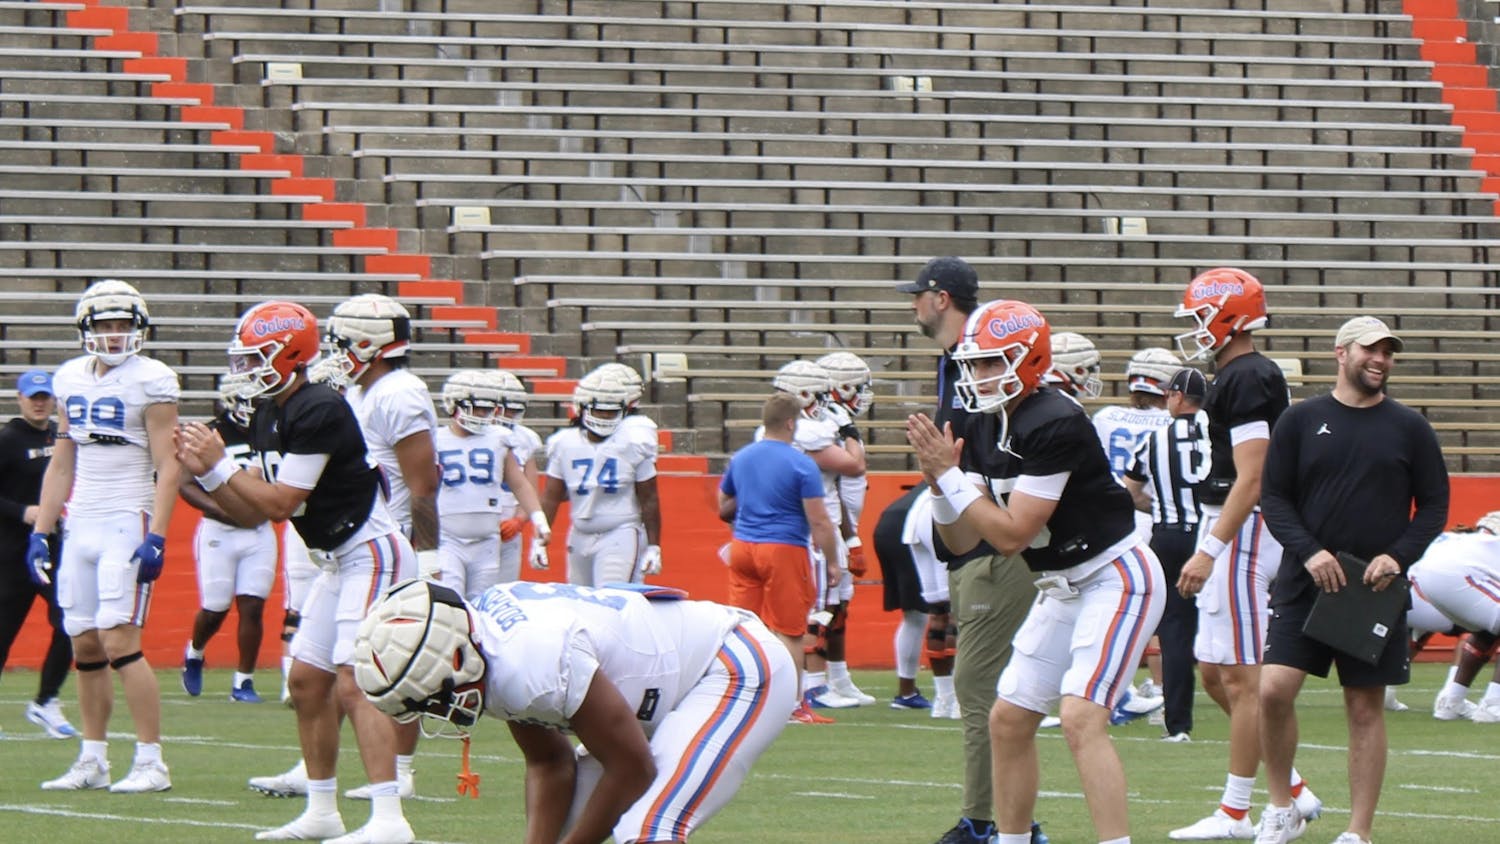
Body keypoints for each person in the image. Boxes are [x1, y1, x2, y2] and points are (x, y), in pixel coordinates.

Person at [906, 298, 1164, 844]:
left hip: (1114, 576)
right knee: (1008, 718)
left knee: (1080, 716)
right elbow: (962, 539)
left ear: (1029, 358)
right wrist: (939, 487)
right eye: (975, 364)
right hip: (1060, 585)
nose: (980, 375)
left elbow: (1011, 535)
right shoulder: (980, 425)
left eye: (993, 362)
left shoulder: (1054, 419)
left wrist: (951, 479)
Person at [175, 300, 417, 843]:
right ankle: (323, 810)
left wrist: (220, 466)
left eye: (254, 358)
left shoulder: (319, 408)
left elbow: (283, 502)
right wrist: (211, 478)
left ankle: (388, 820)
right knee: (308, 683)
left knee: (356, 682)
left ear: (290, 354)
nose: (243, 371)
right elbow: (251, 514)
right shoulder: (268, 413)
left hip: (370, 549)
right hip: (335, 557)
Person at [353, 577, 796, 843]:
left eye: (433, 698)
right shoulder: (485, 641)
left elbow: (632, 768)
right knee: (571, 827)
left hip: (731, 668)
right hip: (668, 688)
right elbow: (550, 762)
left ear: (452, 659)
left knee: (647, 829)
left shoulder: (528, 663)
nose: (440, 710)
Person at [1256, 315, 1449, 844]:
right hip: (1304, 582)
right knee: (1273, 691)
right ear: (1341, 353)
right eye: (1371, 350)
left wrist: (1399, 556)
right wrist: (1310, 551)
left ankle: (1358, 832)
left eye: (1388, 353)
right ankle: (1281, 807)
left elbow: (1434, 506)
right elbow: (1274, 498)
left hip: (1373, 590)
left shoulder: (1410, 426)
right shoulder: (1300, 420)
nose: (1380, 361)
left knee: (1364, 705)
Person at [1169, 268, 1321, 841]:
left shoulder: (1250, 375)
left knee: (1241, 677)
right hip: (1232, 520)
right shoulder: (1236, 374)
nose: (1194, 328)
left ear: (1227, 314)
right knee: (1215, 673)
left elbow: (1253, 474)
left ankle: (1241, 811)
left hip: (1245, 525)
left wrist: (1211, 548)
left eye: (1200, 315)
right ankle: (1296, 787)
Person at [899, 257, 1041, 844]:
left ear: (940, 297)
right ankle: (1005, 822)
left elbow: (991, 456)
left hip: (997, 537)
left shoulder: (973, 367)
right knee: (995, 692)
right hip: (976, 531)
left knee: (985, 691)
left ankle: (989, 823)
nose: (913, 306)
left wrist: (966, 504)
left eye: (918, 295)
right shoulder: (955, 364)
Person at [29, 279, 180, 794]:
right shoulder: (70, 377)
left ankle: (151, 761)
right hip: (82, 521)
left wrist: (158, 533)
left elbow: (168, 463)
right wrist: (43, 530)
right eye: (104, 325)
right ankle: (93, 758)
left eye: (122, 325)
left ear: (138, 328)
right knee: (84, 641)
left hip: (126, 515)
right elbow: (63, 461)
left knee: (121, 639)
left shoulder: (152, 379)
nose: (114, 335)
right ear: (86, 329)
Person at [719, 393, 841, 725]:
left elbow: (723, 504)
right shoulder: (801, 463)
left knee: (742, 628)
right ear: (790, 423)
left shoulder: (742, 457)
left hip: (743, 545)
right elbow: (819, 521)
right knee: (790, 630)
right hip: (783, 547)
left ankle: (738, 698)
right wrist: (832, 561)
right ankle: (790, 704)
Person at [758, 359, 868, 711]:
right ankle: (812, 688)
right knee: (814, 609)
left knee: (822, 607)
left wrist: (851, 539)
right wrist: (849, 429)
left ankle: (819, 684)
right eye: (818, 394)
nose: (824, 401)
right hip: (808, 530)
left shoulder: (774, 434)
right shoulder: (807, 432)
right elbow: (854, 465)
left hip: (799, 527)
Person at [1124, 367, 1212, 743]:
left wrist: (1157, 509)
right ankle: (1246, 706)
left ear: (1176, 397)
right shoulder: (1216, 437)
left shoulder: (1155, 440)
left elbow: (1130, 490)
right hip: (1211, 538)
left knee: (1175, 630)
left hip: (1169, 536)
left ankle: (1178, 724)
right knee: (1224, 623)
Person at [178, 373, 277, 703]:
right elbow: (185, 484)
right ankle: (195, 651)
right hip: (219, 531)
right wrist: (221, 508)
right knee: (216, 606)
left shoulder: (271, 433)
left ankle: (243, 682)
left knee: (252, 606)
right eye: (251, 401)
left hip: (259, 531)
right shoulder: (209, 434)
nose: (257, 407)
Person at [1090, 347, 1176, 724]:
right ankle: (1158, 689)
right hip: (1154, 515)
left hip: (1107, 518)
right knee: (1158, 609)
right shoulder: (1173, 422)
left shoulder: (1105, 416)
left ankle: (1115, 687)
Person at [0, 368, 77, 739]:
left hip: (54, 549)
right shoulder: (8, 439)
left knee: (70, 624)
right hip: (11, 553)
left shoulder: (59, 436)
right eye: (33, 397)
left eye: (45, 396)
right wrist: (22, 512)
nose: (40, 402)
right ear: (20, 399)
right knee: (3, 633)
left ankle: (46, 700)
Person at [432, 369, 549, 600]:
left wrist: (538, 518)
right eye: (476, 407)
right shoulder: (434, 439)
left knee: (486, 604)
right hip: (447, 538)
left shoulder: (498, 437)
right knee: (450, 603)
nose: (483, 414)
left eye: (487, 408)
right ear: (453, 403)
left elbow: (520, 484)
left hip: (487, 540)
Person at [540, 366, 662, 585]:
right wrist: (539, 538)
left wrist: (654, 546)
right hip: (579, 532)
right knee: (580, 600)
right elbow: (551, 494)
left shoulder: (634, 439)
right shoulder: (565, 442)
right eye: (599, 410)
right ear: (582, 408)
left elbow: (649, 497)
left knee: (611, 597)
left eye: (611, 411)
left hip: (619, 531)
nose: (605, 417)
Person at [815, 350, 878, 707]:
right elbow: (837, 485)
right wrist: (850, 537)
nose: (864, 394)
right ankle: (816, 683)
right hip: (828, 527)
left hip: (839, 526)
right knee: (825, 606)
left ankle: (838, 678)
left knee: (840, 605)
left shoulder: (836, 422)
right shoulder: (828, 427)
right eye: (859, 387)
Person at [872, 485, 960, 719]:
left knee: (935, 611)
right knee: (956, 611)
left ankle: (940, 698)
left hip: (908, 520)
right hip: (941, 514)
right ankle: (958, 699)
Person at [1405, 513, 1500, 721]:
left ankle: (1452, 700)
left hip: (1423, 584)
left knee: (1487, 629)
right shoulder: (1486, 547)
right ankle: (1494, 704)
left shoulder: (1462, 540)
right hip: (1453, 578)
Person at [492, 369, 544, 582]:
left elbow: (529, 486)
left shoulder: (525, 438)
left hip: (509, 525)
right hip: (477, 524)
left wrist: (520, 520)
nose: (511, 416)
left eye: (515, 410)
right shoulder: (475, 436)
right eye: (506, 410)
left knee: (505, 589)